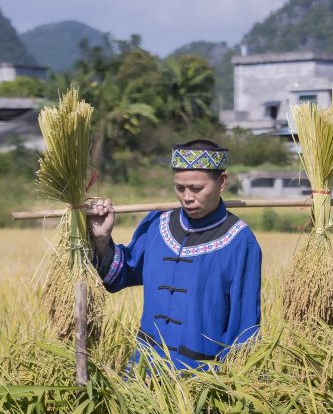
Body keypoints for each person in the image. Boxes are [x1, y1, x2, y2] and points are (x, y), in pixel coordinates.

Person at [87, 139, 262, 371]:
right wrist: (101, 237)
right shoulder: (157, 223)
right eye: (180, 188)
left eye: (197, 189)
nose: (187, 197)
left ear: (221, 182)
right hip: (145, 369)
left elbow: (245, 324)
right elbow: (120, 274)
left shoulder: (240, 241)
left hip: (200, 375)